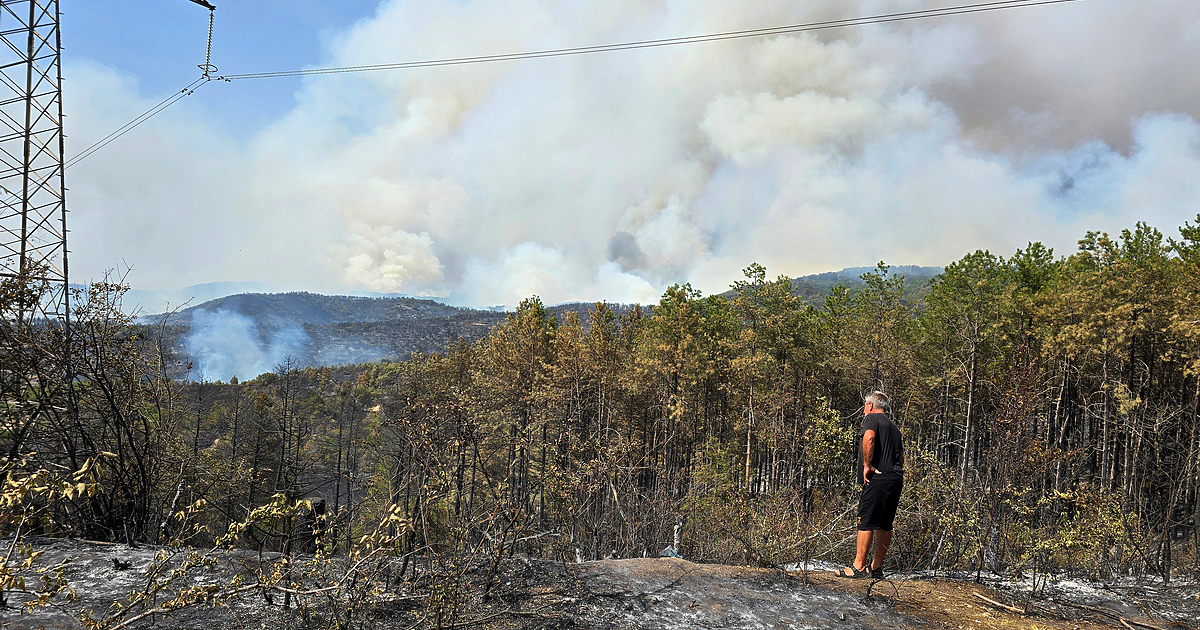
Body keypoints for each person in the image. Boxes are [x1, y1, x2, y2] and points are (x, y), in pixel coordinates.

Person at [839, 391, 904, 579]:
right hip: (895, 478)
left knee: (866, 521)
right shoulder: (894, 427)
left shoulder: (871, 419)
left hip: (877, 478)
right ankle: (876, 569)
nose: (864, 410)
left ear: (870, 405)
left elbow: (868, 438)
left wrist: (867, 465)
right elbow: (901, 456)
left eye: (864, 406)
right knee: (885, 524)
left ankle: (858, 567)